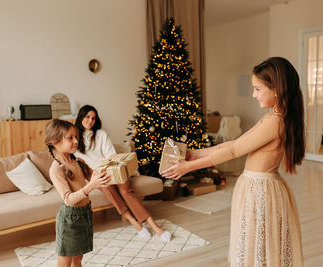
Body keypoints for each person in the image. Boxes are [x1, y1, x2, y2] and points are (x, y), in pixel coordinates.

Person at [161, 57, 304, 266]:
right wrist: (194, 153)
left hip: (260, 190)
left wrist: (189, 167)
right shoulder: (273, 117)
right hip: (257, 187)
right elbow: (233, 144)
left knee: (257, 246)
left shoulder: (275, 122)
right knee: (254, 244)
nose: (253, 95)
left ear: (276, 89)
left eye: (257, 89)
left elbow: (234, 151)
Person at [74, 105, 171, 242]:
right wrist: (98, 173)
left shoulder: (101, 134)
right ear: (80, 117)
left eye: (93, 118)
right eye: (87, 117)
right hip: (97, 174)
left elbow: (111, 155)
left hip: (113, 167)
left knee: (126, 192)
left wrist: (109, 169)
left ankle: (155, 227)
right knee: (109, 190)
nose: (90, 121)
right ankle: (135, 223)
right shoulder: (75, 139)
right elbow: (83, 162)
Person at [45, 119, 111, 267]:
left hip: (85, 213)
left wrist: (111, 170)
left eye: (76, 137)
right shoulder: (56, 169)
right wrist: (91, 186)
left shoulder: (78, 161)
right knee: (65, 261)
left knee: (78, 258)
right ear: (55, 142)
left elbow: (95, 176)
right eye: (70, 138)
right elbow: (69, 199)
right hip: (70, 219)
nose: (76, 141)